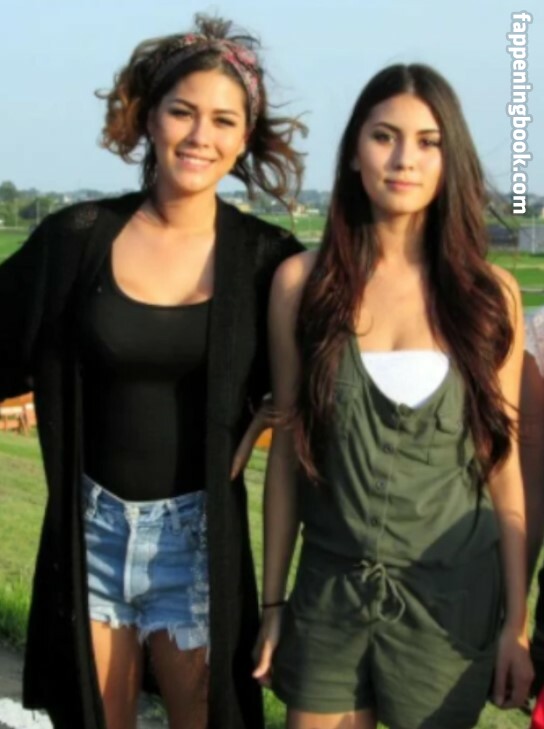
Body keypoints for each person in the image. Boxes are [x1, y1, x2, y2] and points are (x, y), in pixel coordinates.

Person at [0, 14, 305, 729]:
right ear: (149, 118)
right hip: (92, 534)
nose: (200, 136)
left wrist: (267, 412)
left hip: (195, 544)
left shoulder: (269, 262)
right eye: (182, 112)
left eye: (223, 120)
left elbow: (329, 378)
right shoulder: (76, 240)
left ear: (245, 137)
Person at [253, 63, 534, 729]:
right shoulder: (303, 285)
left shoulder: (489, 296)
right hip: (329, 595)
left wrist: (514, 626)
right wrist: (274, 604)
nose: (405, 158)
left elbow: (503, 467)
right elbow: (288, 454)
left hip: (449, 608)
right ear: (354, 153)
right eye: (384, 136)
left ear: (450, 159)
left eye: (428, 141)